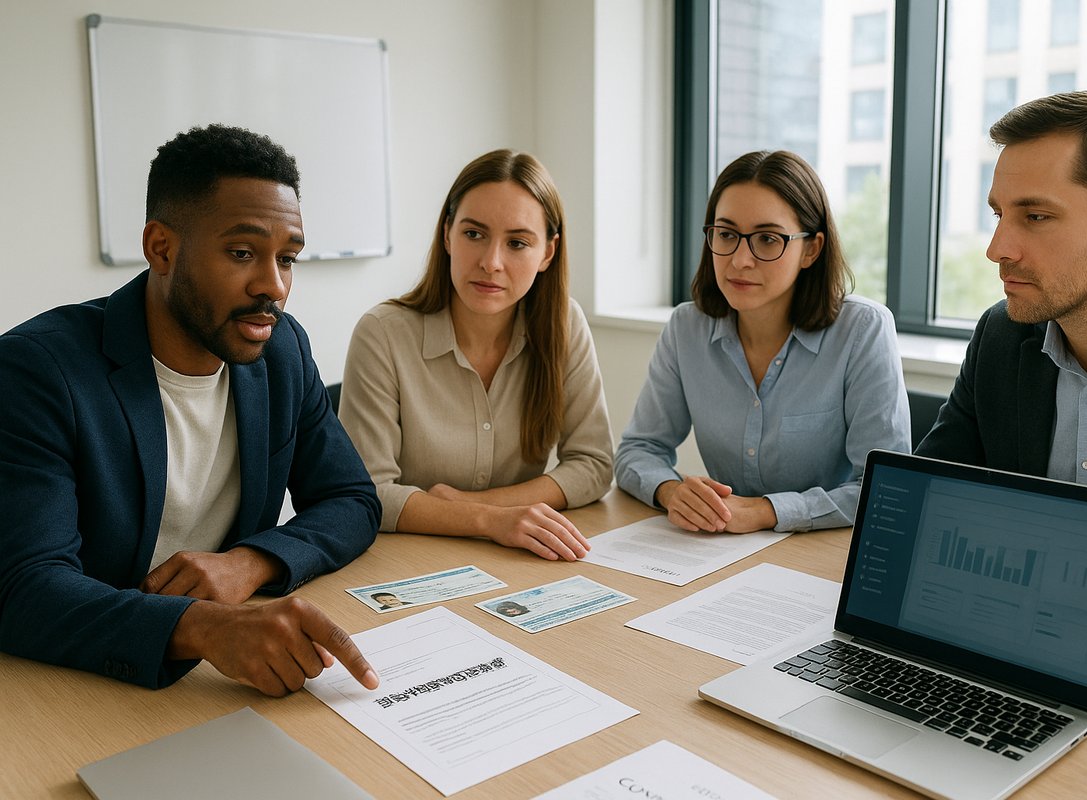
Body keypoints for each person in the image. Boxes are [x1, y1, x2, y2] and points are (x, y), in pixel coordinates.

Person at [0, 124, 382, 696]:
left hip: (227, 675)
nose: (273, 286)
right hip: (79, 679)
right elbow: (25, 587)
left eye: (288, 258)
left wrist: (250, 563)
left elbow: (350, 499)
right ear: (162, 248)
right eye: (242, 253)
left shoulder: (282, 350)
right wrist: (201, 627)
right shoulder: (38, 371)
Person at [916, 90, 1087, 655]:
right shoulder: (1001, 335)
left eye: (1036, 216)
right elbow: (927, 504)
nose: (998, 249)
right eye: (999, 214)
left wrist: (1073, 615)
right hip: (997, 648)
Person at [338, 150, 613, 561]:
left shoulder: (564, 323)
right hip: (403, 563)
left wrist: (484, 505)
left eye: (517, 242)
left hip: (517, 559)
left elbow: (593, 464)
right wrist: (486, 520)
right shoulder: (382, 334)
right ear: (447, 233)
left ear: (548, 254)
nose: (491, 262)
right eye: (474, 234)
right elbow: (367, 491)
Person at [616, 150, 910, 534]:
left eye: (767, 239)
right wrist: (672, 492)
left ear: (811, 249)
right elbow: (637, 451)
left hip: (823, 554)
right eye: (726, 234)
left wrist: (766, 511)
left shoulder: (862, 330)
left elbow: (886, 490)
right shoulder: (686, 327)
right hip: (720, 550)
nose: (740, 260)